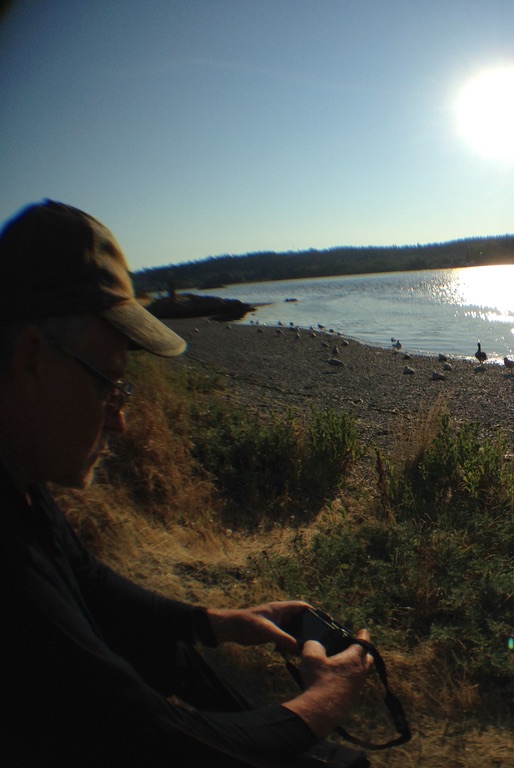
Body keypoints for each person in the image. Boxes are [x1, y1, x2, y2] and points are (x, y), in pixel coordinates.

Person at [0, 201, 374, 766]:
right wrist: (328, 697)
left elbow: (90, 581)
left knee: (163, 647)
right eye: (108, 385)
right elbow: (160, 738)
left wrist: (215, 623)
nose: (120, 421)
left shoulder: (23, 482)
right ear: (31, 360)